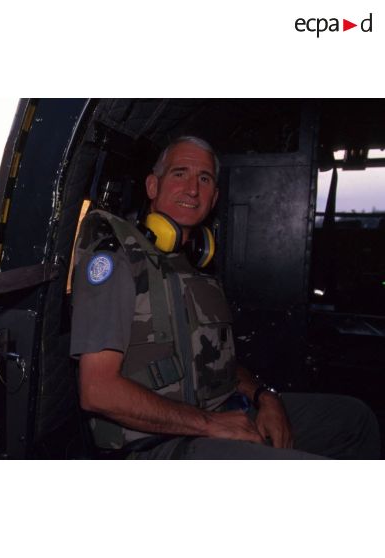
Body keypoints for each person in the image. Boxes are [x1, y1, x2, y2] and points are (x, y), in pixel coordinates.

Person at [70, 136, 380, 459]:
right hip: (155, 444)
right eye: (179, 173)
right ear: (152, 186)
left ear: (215, 197)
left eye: (204, 179)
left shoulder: (193, 264)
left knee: (355, 421)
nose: (192, 189)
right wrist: (210, 424)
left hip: (220, 415)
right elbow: (97, 391)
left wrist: (264, 397)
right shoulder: (117, 255)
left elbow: (221, 364)